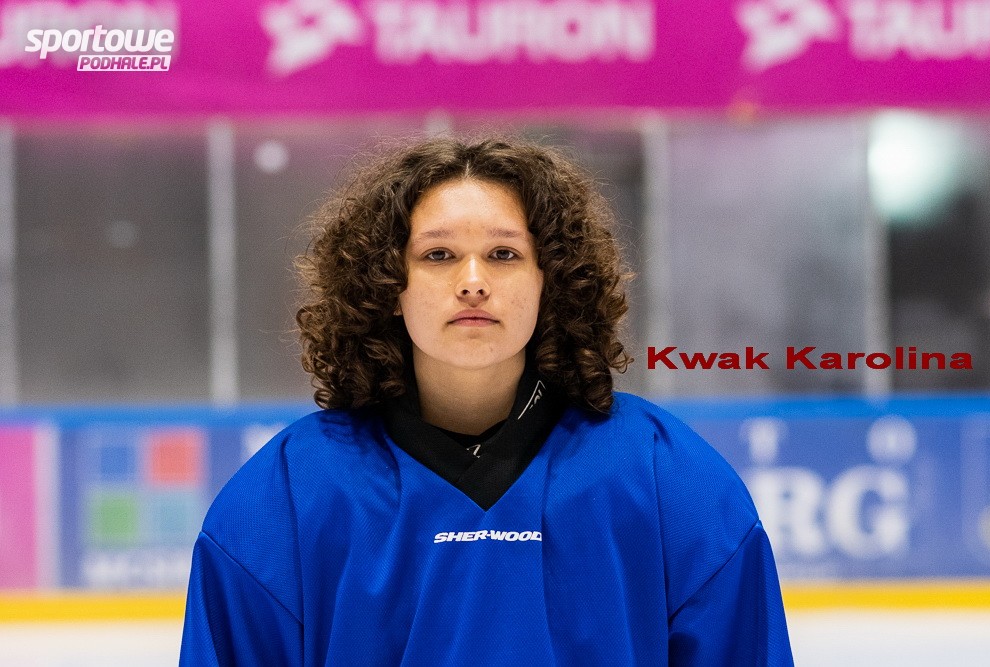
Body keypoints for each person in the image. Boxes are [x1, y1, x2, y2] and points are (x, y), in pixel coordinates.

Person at [180, 135, 794, 665]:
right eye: (438, 255)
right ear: (388, 285)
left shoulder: (670, 480)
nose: (472, 281)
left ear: (550, 279)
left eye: (504, 254)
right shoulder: (283, 499)